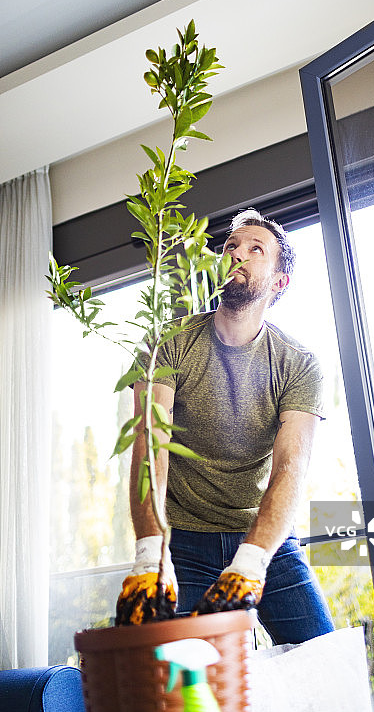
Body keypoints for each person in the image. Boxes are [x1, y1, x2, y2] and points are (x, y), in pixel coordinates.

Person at [117, 209, 335, 644]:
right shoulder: (169, 343)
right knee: (177, 679)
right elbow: (150, 449)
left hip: (265, 538)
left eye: (256, 249)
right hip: (184, 541)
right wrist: (149, 555)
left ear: (279, 282)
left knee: (321, 656)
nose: (237, 254)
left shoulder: (299, 364)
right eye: (231, 246)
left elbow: (290, 469)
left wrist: (252, 561)